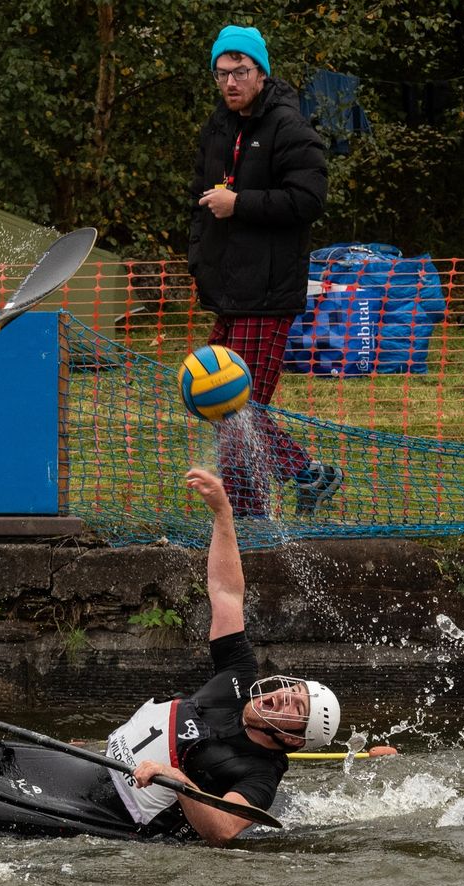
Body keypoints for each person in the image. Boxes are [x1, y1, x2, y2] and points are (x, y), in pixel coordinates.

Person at [105, 467, 341, 844]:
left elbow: (222, 831)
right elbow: (226, 592)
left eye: (295, 709)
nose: (283, 696)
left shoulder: (261, 776)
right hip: (101, 765)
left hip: (120, 818)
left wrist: (179, 780)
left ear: (294, 740)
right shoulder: (240, 675)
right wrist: (223, 513)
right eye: (292, 691)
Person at [188, 23, 342, 519]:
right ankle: (305, 476)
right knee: (224, 406)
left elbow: (309, 199)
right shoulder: (217, 128)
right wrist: (198, 261)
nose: (230, 82)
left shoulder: (289, 127)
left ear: (260, 73)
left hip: (269, 291)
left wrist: (241, 203)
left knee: (237, 409)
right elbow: (199, 202)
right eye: (221, 73)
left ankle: (250, 519)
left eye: (240, 71)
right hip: (228, 291)